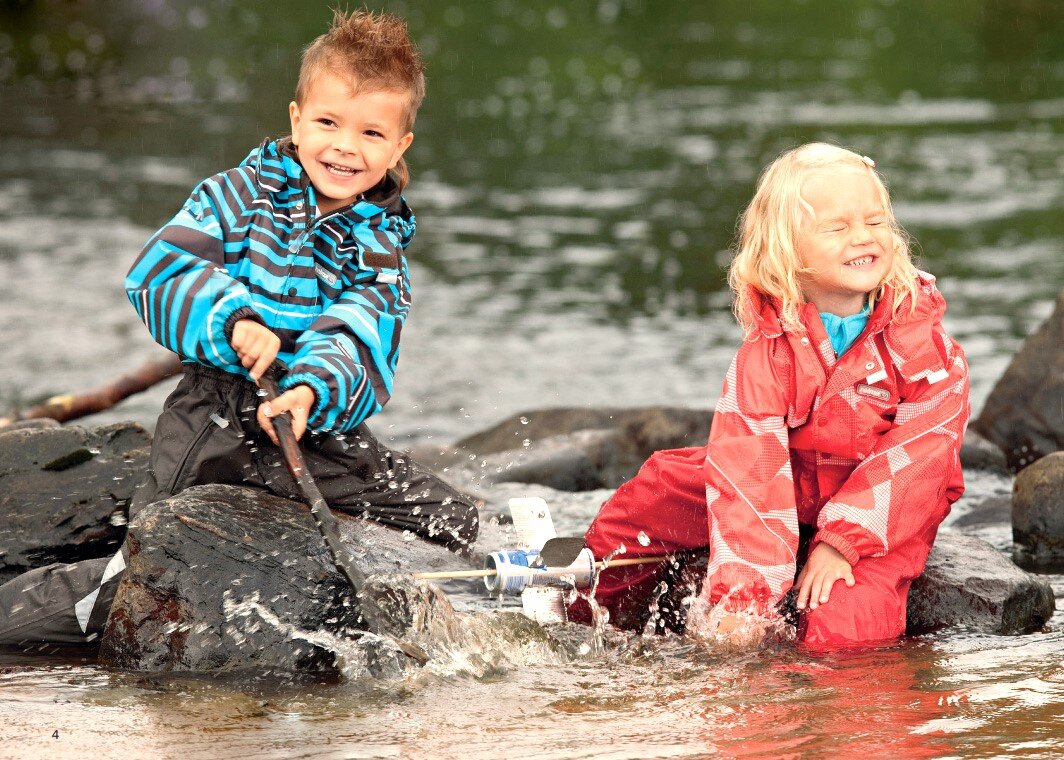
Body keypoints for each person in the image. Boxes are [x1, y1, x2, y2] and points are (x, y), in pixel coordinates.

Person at [0, 9, 477, 648]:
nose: (344, 146)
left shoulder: (382, 248)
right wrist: (236, 319)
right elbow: (158, 271)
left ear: (399, 147)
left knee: (451, 520)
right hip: (212, 419)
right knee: (154, 557)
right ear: (296, 119)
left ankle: (429, 599)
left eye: (370, 133)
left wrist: (310, 390)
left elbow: (362, 334)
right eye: (328, 123)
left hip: (313, 430)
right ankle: (43, 610)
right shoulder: (237, 193)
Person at [568, 143, 970, 648]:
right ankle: (583, 615)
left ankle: (830, 706)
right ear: (787, 250)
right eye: (837, 228)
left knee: (845, 630)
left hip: (881, 502)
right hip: (790, 478)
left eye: (876, 222)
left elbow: (922, 457)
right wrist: (744, 600)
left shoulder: (924, 343)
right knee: (651, 497)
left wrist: (842, 543)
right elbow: (749, 468)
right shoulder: (769, 347)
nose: (863, 238)